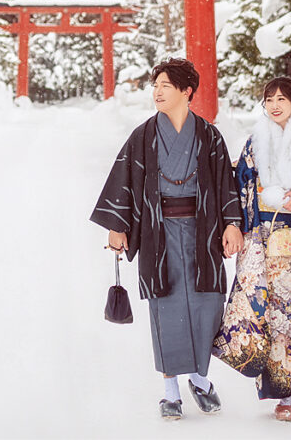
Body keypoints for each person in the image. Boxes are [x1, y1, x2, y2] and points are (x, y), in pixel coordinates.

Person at [90, 58, 244, 421]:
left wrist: (232, 224)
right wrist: (118, 224)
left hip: (202, 232)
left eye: (164, 85)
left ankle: (199, 378)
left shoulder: (208, 136)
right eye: (155, 85)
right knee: (167, 308)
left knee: (207, 305)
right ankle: (171, 391)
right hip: (159, 234)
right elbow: (124, 179)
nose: (156, 92)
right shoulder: (143, 136)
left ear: (186, 91)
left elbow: (226, 183)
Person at [213, 76, 291, 422]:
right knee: (274, 318)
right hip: (264, 241)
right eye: (269, 99)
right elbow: (239, 187)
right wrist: (235, 224)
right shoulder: (255, 143)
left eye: (282, 98)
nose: (275, 104)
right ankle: (282, 394)